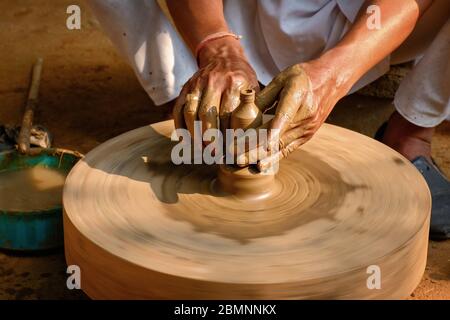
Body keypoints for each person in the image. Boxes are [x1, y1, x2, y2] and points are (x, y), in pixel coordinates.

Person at [88, 0, 450, 239]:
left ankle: (411, 131)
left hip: (378, 22)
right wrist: (218, 47)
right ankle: (184, 100)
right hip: (242, 15)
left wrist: (335, 74)